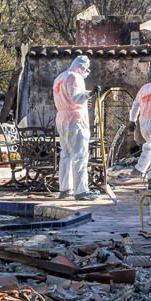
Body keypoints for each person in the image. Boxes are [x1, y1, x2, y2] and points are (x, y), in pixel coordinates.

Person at [52, 55, 96, 200]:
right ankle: (81, 191)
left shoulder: (59, 78)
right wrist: (91, 93)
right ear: (82, 66)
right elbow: (76, 97)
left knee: (66, 155)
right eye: (86, 68)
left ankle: (65, 189)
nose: (86, 71)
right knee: (80, 155)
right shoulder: (74, 77)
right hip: (75, 119)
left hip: (62, 117)